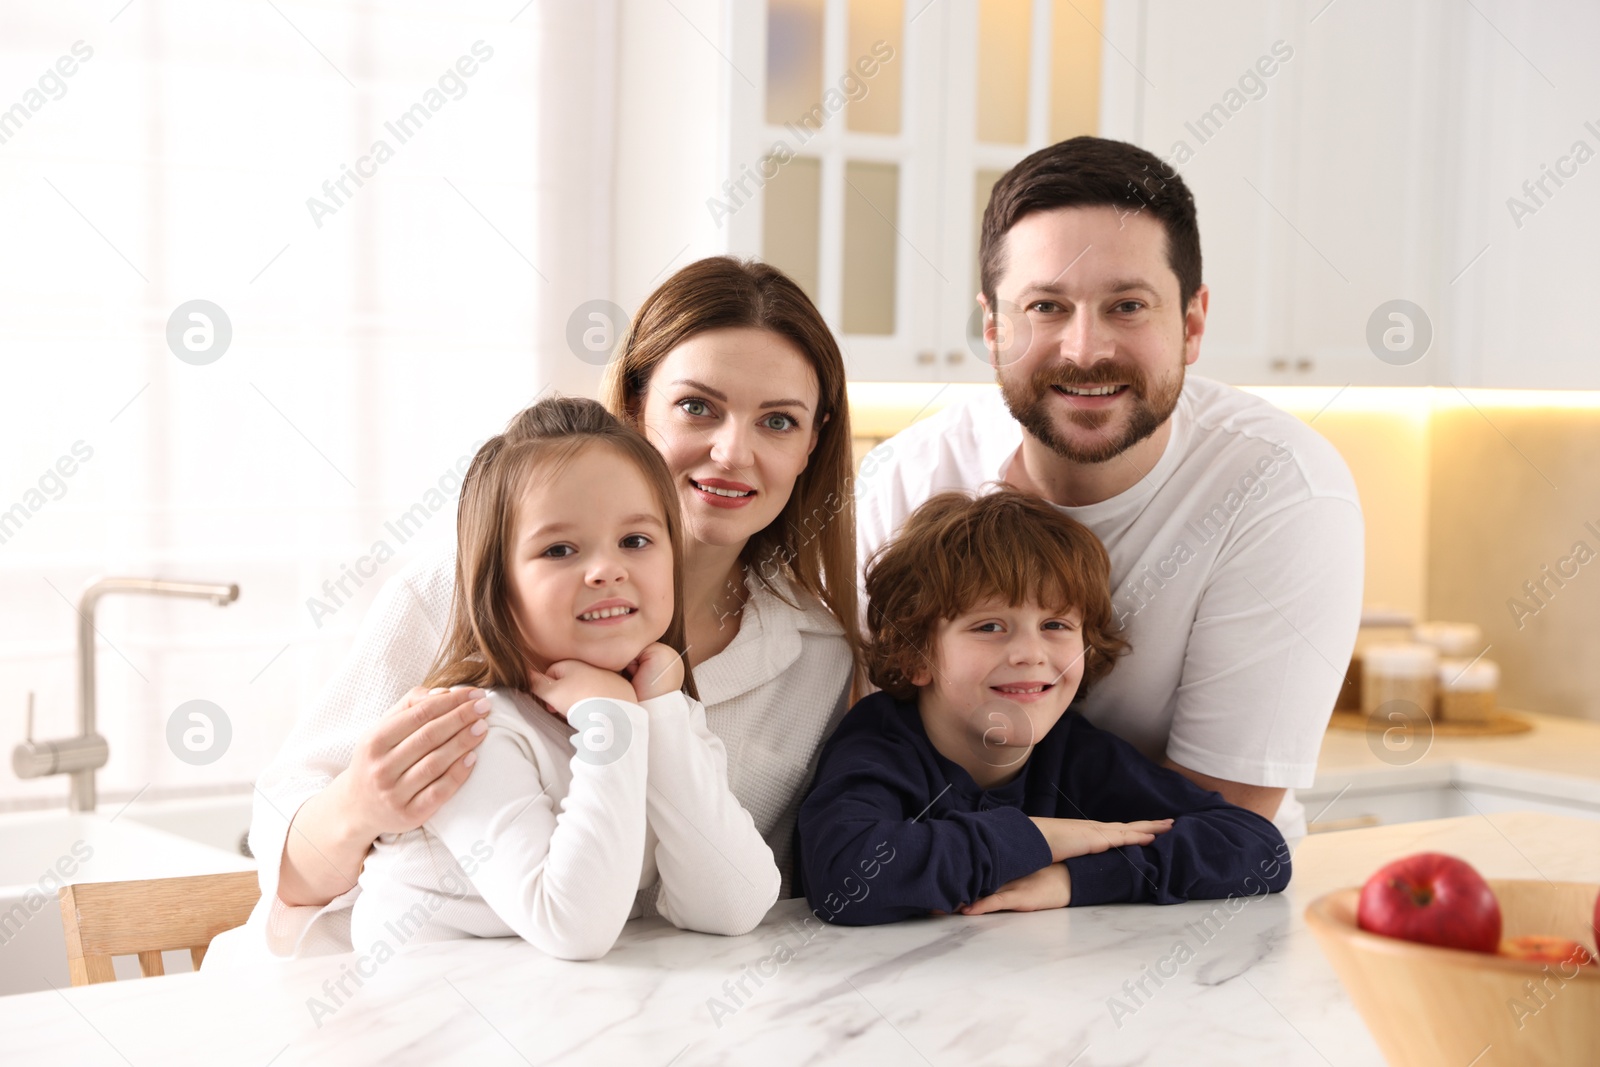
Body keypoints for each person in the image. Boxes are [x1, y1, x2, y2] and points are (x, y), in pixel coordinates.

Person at [229, 258, 859, 959]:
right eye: (697, 406)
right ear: (633, 405)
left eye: (778, 420)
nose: (732, 450)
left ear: (812, 442)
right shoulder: (461, 590)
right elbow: (284, 862)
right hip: (375, 1004)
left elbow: (737, 898)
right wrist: (359, 804)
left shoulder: (819, 654)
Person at [855, 136, 1364, 839]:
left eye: (1127, 306)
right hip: (940, 898)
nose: (1086, 349)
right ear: (993, 327)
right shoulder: (902, 479)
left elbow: (1220, 827)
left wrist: (1022, 865)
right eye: (1045, 307)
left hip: (1190, 909)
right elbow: (861, 740)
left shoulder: (1282, 488)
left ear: (1191, 324)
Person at [348, 397, 776, 960]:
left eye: (636, 541)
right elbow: (573, 926)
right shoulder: (470, 726)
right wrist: (612, 721)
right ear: (497, 586)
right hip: (422, 1024)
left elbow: (734, 905)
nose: (607, 569)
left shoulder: (658, 708)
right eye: (559, 549)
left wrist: (660, 714)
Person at [799, 489, 1291, 926]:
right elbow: (846, 878)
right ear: (914, 655)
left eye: (1055, 625)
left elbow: (1257, 847)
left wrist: (1074, 879)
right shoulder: (880, 746)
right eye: (989, 626)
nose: (1031, 653)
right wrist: (1039, 837)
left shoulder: (1073, 753)